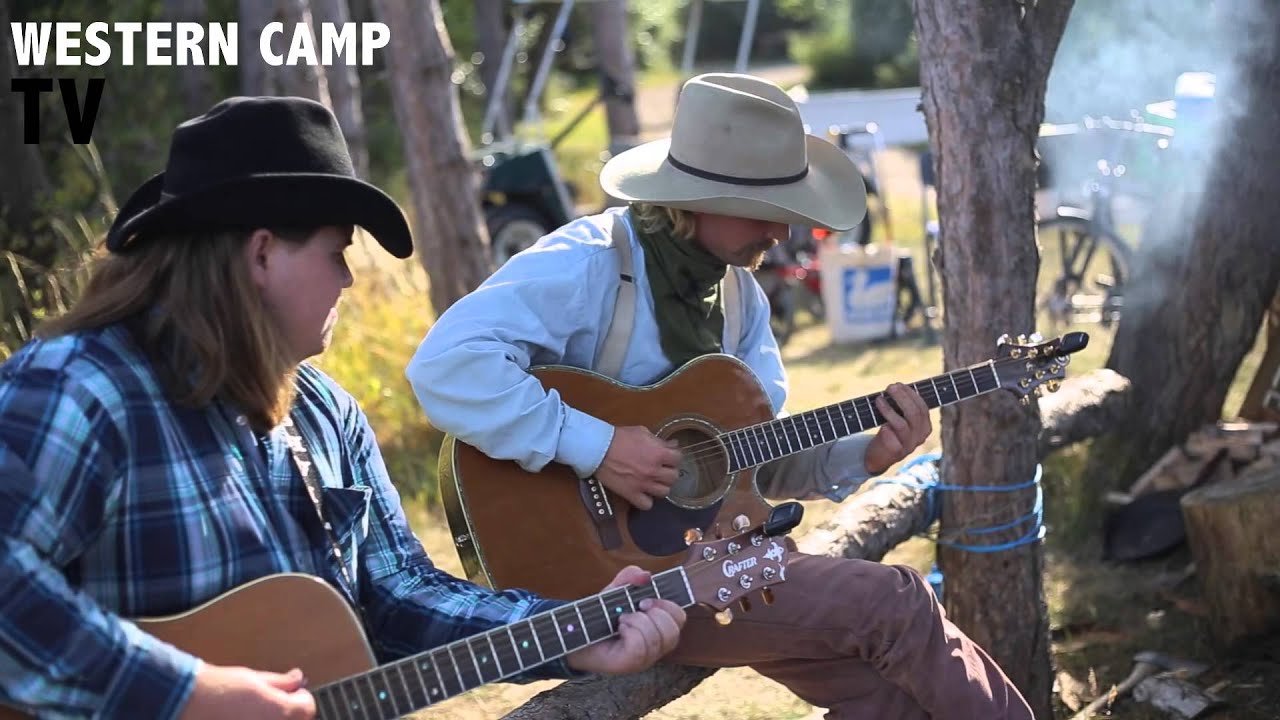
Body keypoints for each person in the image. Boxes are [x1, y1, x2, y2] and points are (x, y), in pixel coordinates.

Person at [0, 96, 685, 720]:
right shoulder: (82, 387)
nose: (351, 278)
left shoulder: (325, 414)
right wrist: (185, 693)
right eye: (337, 252)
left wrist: (572, 633)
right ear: (263, 255)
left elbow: (398, 595)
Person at [407, 74, 1035, 719]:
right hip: (593, 583)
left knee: (878, 697)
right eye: (768, 211)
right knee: (894, 599)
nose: (782, 234)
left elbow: (754, 461)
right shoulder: (588, 263)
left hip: (707, 563)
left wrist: (866, 455)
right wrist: (597, 446)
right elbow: (446, 367)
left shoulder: (738, 299)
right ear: (698, 198)